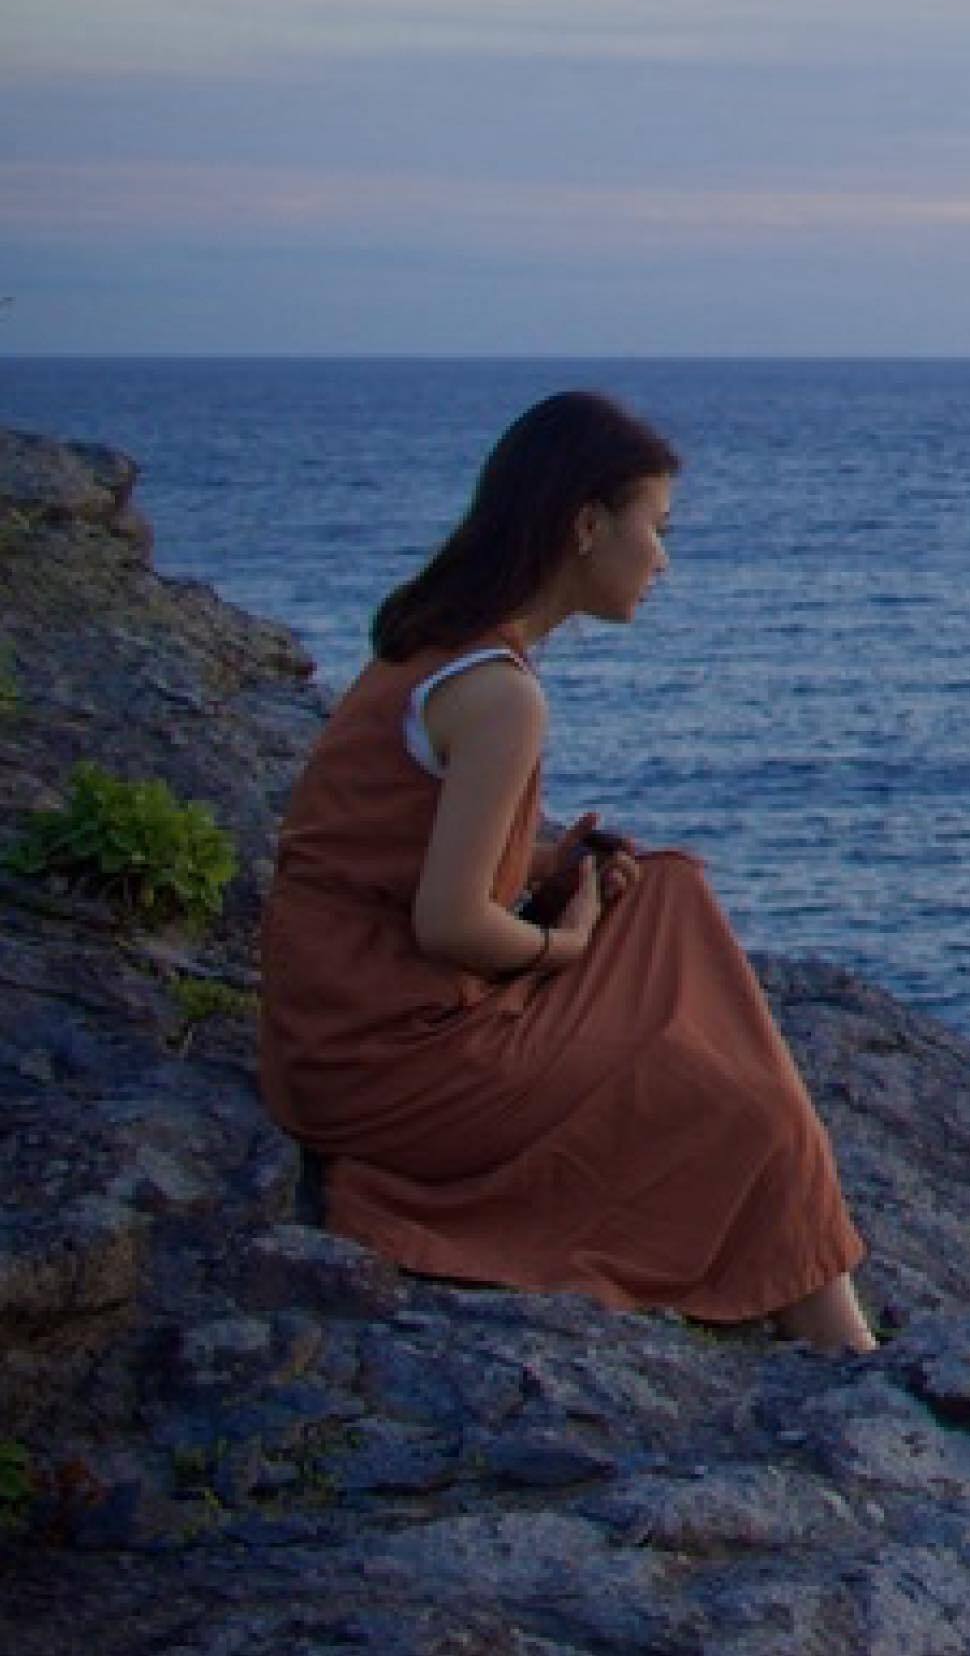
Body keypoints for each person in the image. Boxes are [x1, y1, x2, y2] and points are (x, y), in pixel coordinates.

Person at [256, 391, 874, 1351]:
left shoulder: (437, 647)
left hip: (334, 1032)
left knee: (663, 885)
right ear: (588, 523)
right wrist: (564, 940)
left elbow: (387, 854)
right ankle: (839, 1341)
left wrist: (551, 866)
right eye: (655, 529)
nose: (664, 561)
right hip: (387, 1067)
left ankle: (820, 1300)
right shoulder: (498, 696)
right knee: (748, 1111)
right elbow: (451, 927)